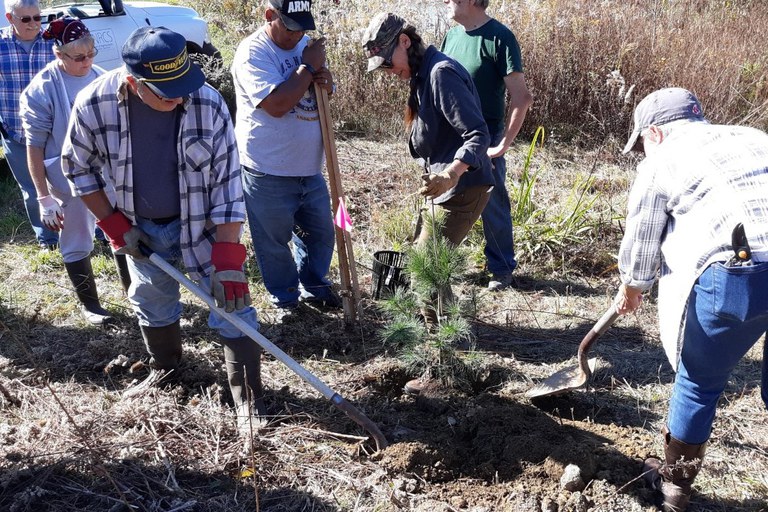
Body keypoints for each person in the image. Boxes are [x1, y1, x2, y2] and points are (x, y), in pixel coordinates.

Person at [62, 26, 266, 432]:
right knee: (152, 301)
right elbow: (76, 167)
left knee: (233, 305)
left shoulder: (207, 103)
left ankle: (248, 398)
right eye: (166, 91)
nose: (178, 97)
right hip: (140, 229)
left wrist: (228, 257)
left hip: (206, 227)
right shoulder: (94, 104)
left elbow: (228, 183)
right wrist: (115, 224)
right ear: (134, 83)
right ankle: (167, 371)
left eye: (182, 85)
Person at [615, 87, 768, 512]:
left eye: (642, 142)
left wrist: (633, 285)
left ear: (655, 133)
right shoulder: (753, 136)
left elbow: (643, 236)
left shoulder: (662, 159)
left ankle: (675, 489)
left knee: (699, 382)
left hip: (740, 272)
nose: (643, 152)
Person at [231, 0, 340, 314]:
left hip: (309, 168)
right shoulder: (253, 53)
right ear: (270, 16)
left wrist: (326, 83)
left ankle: (314, 286)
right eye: (291, 26)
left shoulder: (306, 46)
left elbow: (319, 90)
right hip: (268, 170)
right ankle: (287, 298)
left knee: (316, 233)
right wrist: (306, 68)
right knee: (275, 242)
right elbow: (276, 105)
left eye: (303, 27)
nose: (298, 34)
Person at [19, 16, 118, 325]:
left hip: (105, 172)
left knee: (120, 229)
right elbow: (33, 147)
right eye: (78, 57)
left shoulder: (101, 77)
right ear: (58, 54)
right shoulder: (42, 90)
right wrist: (43, 197)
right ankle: (91, 305)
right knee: (76, 238)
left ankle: (135, 293)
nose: (87, 62)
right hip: (68, 178)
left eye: (91, 55)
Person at [440, 0, 532, 291]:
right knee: (444, 198)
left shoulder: (500, 37)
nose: (445, 2)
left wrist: (502, 144)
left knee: (492, 202)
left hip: (485, 137)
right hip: (451, 136)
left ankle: (502, 268)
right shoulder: (451, 37)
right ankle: (439, 265)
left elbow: (521, 97)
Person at [1, 0, 58, 250]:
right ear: (9, 18)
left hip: (53, 130)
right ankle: (48, 238)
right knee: (33, 190)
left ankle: (89, 231)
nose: (34, 24)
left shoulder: (52, 41)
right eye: (26, 19)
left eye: (38, 18)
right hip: (15, 131)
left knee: (68, 183)